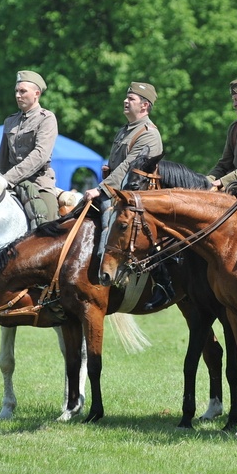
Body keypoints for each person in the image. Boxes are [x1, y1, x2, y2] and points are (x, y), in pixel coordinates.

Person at [83, 81, 172, 309]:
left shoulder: (149, 134)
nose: (125, 101)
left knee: (109, 222)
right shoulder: (126, 129)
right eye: (127, 97)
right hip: (120, 192)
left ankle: (160, 282)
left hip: (139, 198)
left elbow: (129, 168)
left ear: (145, 106)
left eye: (131, 99)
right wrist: (108, 173)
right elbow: (118, 166)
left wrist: (101, 188)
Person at [0, 70, 58, 223]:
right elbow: (2, 160)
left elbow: (40, 156)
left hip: (38, 184)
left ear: (36, 94)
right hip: (10, 184)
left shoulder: (47, 118)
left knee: (47, 225)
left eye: (23, 91)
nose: (18, 95)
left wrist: (8, 178)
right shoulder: (9, 121)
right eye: (16, 91)